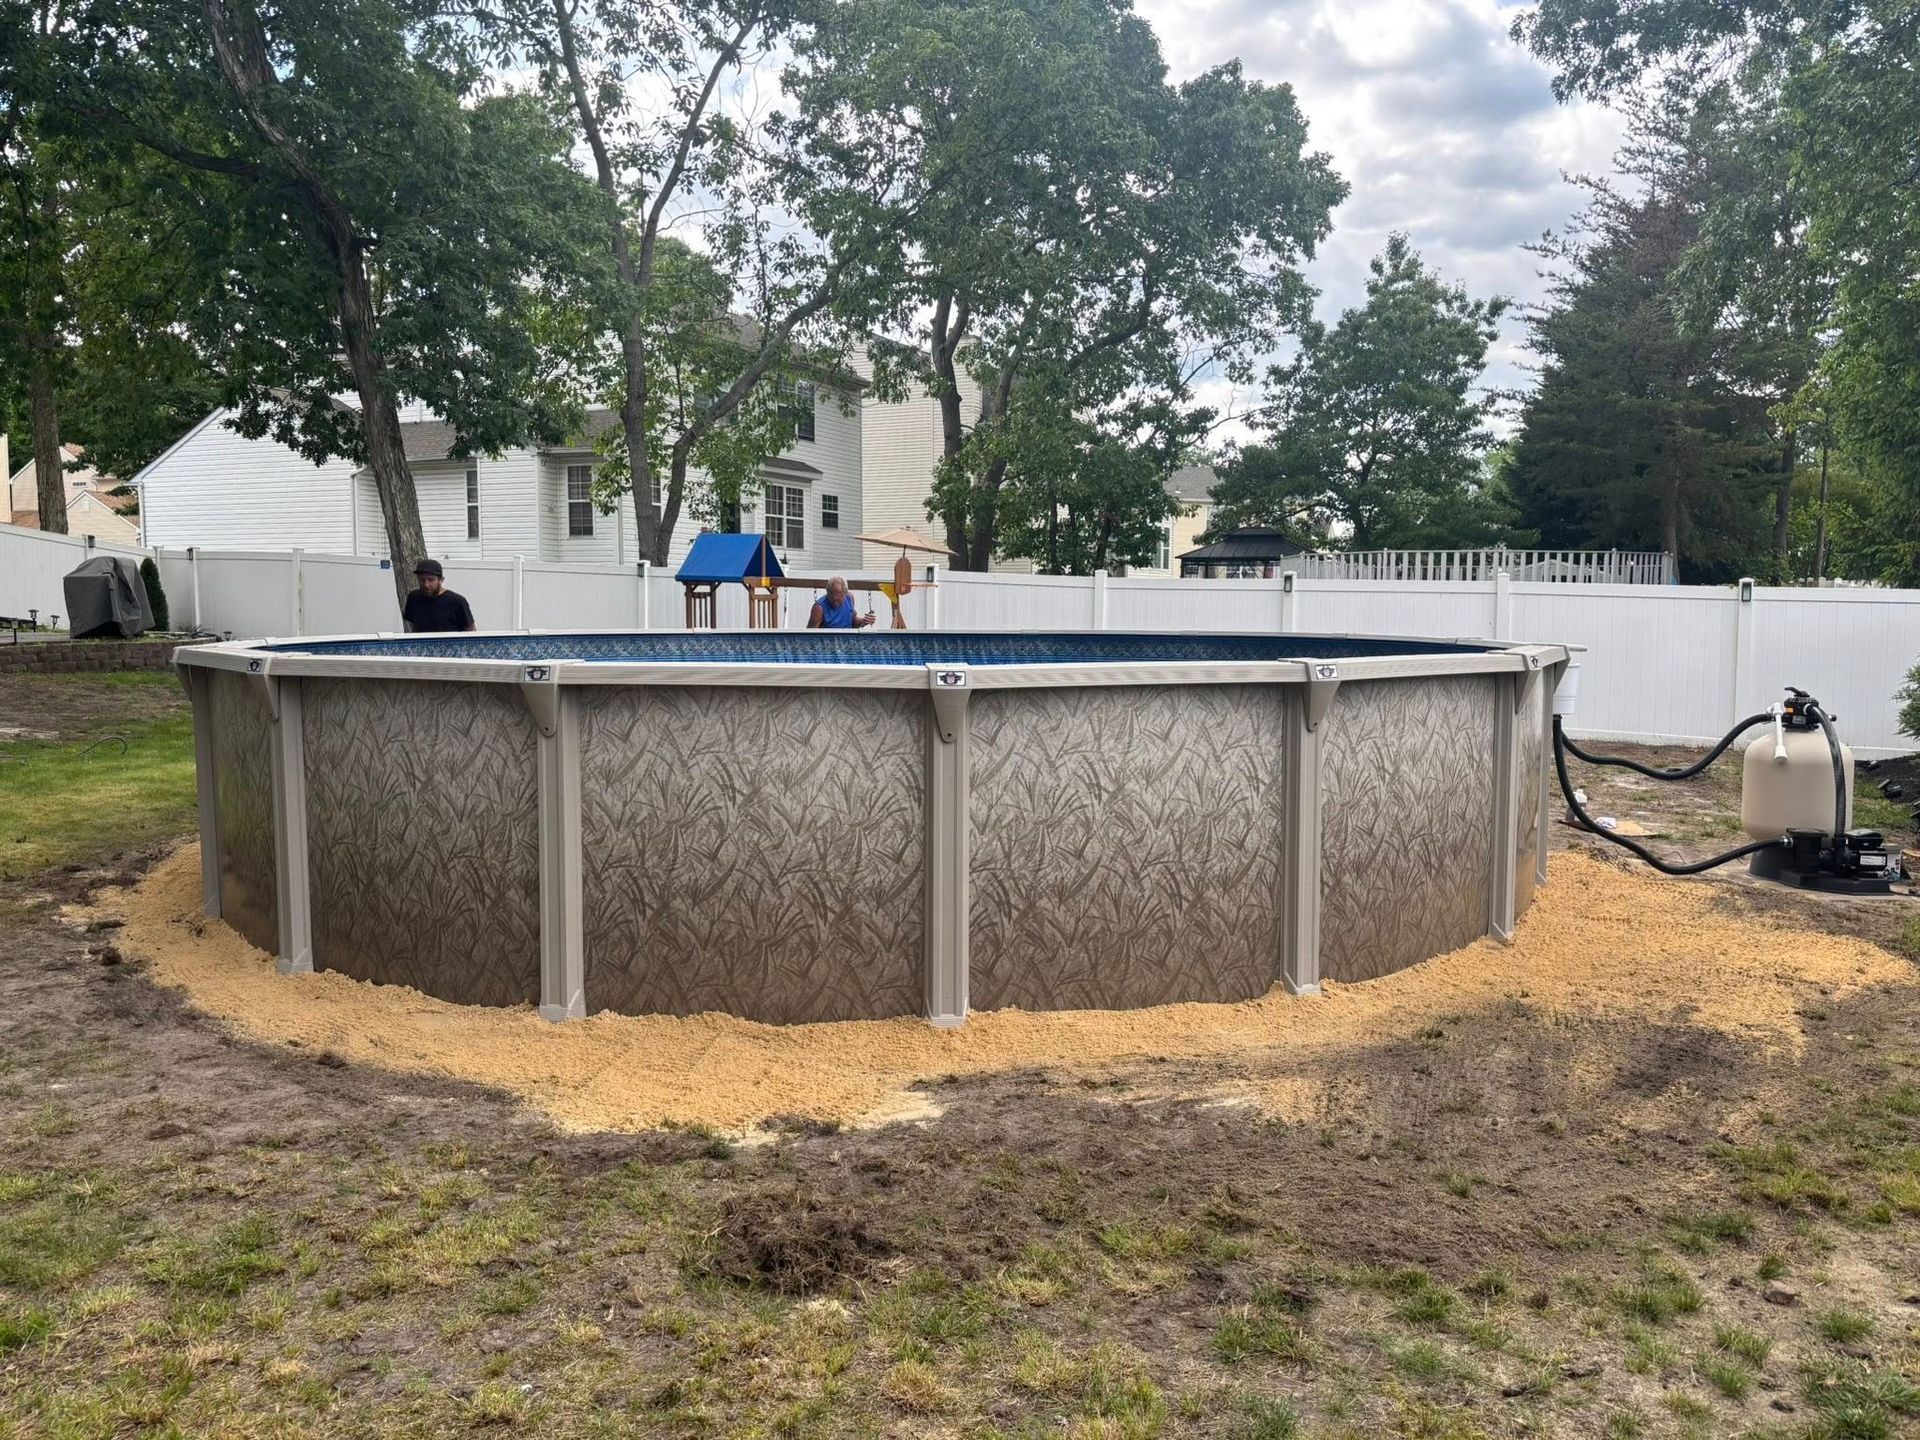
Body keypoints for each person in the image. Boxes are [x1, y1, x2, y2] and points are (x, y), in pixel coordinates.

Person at [402, 559, 476, 633]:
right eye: (422, 580)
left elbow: (471, 631)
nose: (426, 585)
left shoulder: (457, 601)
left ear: (441, 580)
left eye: (431, 580)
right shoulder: (413, 598)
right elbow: (413, 626)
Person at [807, 576, 876, 630]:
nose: (836, 603)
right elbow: (809, 637)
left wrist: (865, 621)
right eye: (833, 599)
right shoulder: (818, 608)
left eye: (839, 600)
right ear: (827, 591)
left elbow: (853, 622)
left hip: (848, 642)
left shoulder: (849, 597)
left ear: (845, 594)